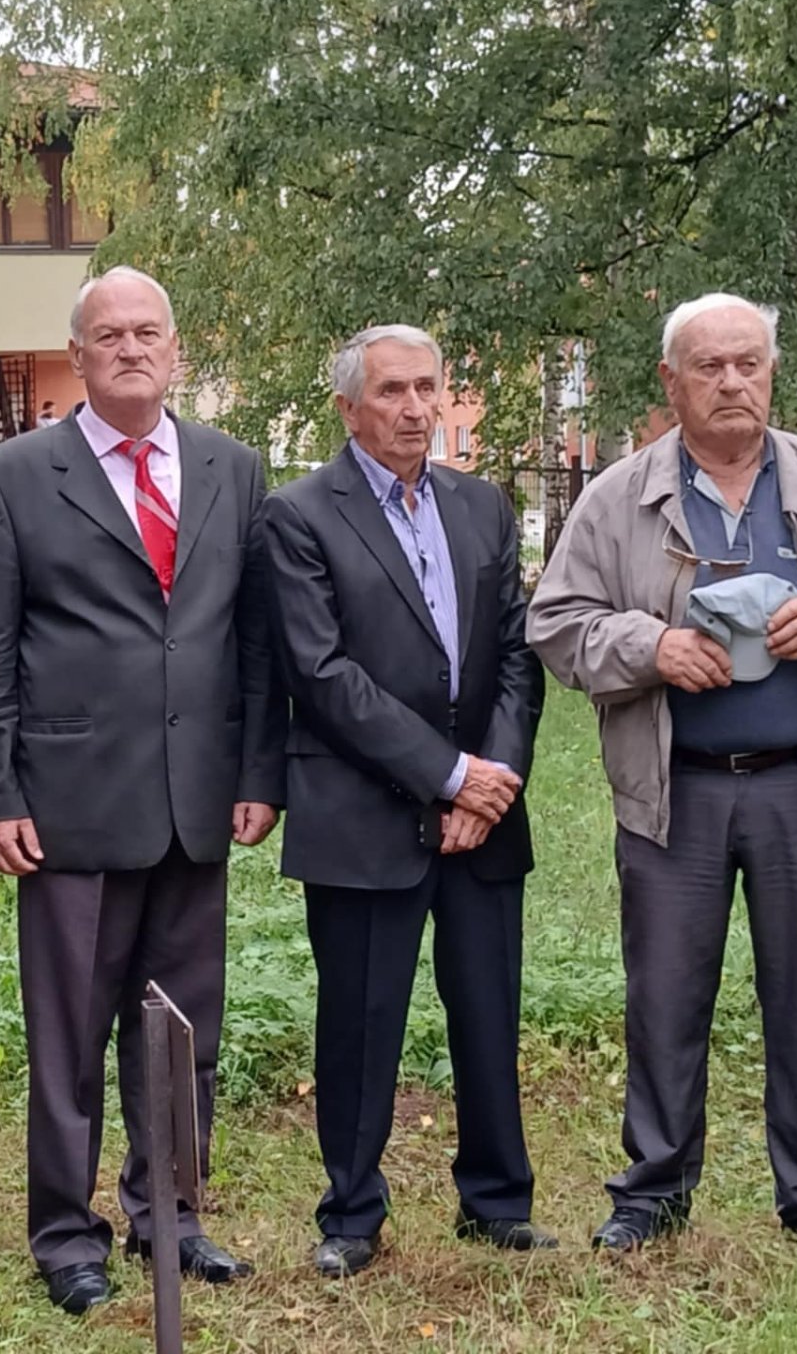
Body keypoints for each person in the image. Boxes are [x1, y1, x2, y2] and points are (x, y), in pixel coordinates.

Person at [528, 293, 797, 1250]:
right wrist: (652, 645)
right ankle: (653, 1193)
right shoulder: (620, 497)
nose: (732, 381)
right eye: (710, 366)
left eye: (748, 363)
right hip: (677, 787)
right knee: (664, 996)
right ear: (672, 382)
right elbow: (556, 622)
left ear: (773, 372)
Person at [0, 266, 286, 1315]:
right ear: (80, 356)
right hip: (68, 808)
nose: (132, 348)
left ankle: (172, 1216)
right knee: (69, 1036)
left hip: (197, 803)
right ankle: (66, 1235)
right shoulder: (13, 477)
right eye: (110, 335)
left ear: (177, 349)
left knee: (186, 1028)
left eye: (149, 332)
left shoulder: (233, 468)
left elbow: (254, 641)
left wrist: (256, 770)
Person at [260, 325, 550, 1277]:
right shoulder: (300, 515)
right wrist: (449, 774)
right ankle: (351, 1215)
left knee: (487, 1012)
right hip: (364, 813)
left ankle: (498, 1202)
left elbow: (516, 654)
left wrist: (491, 784)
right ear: (349, 406)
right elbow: (323, 673)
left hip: (483, 820)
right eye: (392, 391)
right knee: (360, 1020)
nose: (416, 408)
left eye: (428, 388)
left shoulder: (482, 506)